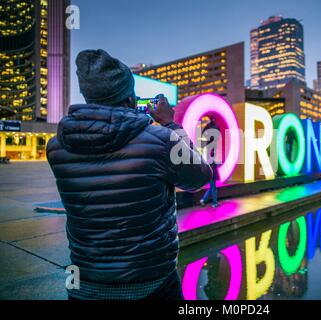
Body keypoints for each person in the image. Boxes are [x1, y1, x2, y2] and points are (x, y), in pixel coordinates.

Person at [46, 49, 212, 300]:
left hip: (85, 282)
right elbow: (200, 176)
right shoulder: (161, 141)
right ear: (130, 98)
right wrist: (170, 124)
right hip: (151, 282)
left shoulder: (57, 147)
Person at [200, 116, 219, 208]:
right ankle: (214, 203)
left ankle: (204, 200)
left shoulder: (208, 128)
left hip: (210, 162)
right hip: (211, 164)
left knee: (212, 185)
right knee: (213, 185)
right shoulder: (212, 147)